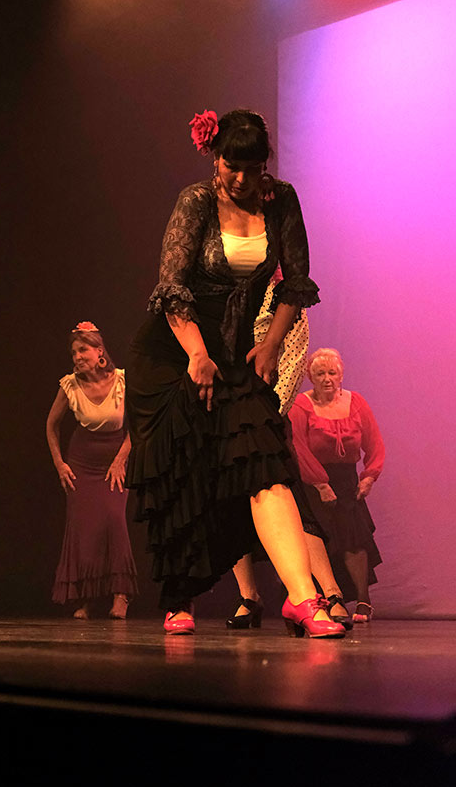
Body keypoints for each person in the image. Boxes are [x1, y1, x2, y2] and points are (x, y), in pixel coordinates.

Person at [126, 108, 345, 638]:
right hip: (174, 352)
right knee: (185, 474)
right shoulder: (196, 202)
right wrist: (197, 355)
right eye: (232, 166)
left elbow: (296, 281)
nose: (243, 179)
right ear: (214, 158)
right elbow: (171, 286)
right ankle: (178, 599)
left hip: (237, 354)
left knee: (264, 463)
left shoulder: (281, 199)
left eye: (253, 167)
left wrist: (271, 343)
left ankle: (302, 598)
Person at [228, 279, 353, 631]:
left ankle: (328, 591)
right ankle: (249, 596)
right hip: (228, 410)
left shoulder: (281, 293)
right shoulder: (223, 290)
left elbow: (295, 357)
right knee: (232, 504)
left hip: (266, 412)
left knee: (291, 500)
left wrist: (269, 412)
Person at [46, 322, 138, 619]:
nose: (77, 357)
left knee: (114, 521)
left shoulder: (122, 380)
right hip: (81, 463)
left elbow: (138, 424)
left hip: (115, 459)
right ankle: (86, 597)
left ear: (100, 352)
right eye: (73, 352)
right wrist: (60, 464)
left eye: (82, 350)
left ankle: (121, 594)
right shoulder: (69, 385)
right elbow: (51, 425)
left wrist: (120, 460)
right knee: (85, 530)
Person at [289, 347, 384, 623]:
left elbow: (375, 442)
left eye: (332, 373)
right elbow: (298, 448)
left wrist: (369, 476)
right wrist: (320, 484)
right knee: (321, 540)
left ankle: (363, 600)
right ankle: (329, 599)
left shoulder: (356, 403)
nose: (327, 378)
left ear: (341, 375)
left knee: (354, 539)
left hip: (347, 481)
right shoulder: (301, 405)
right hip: (313, 481)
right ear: (311, 377)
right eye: (320, 373)